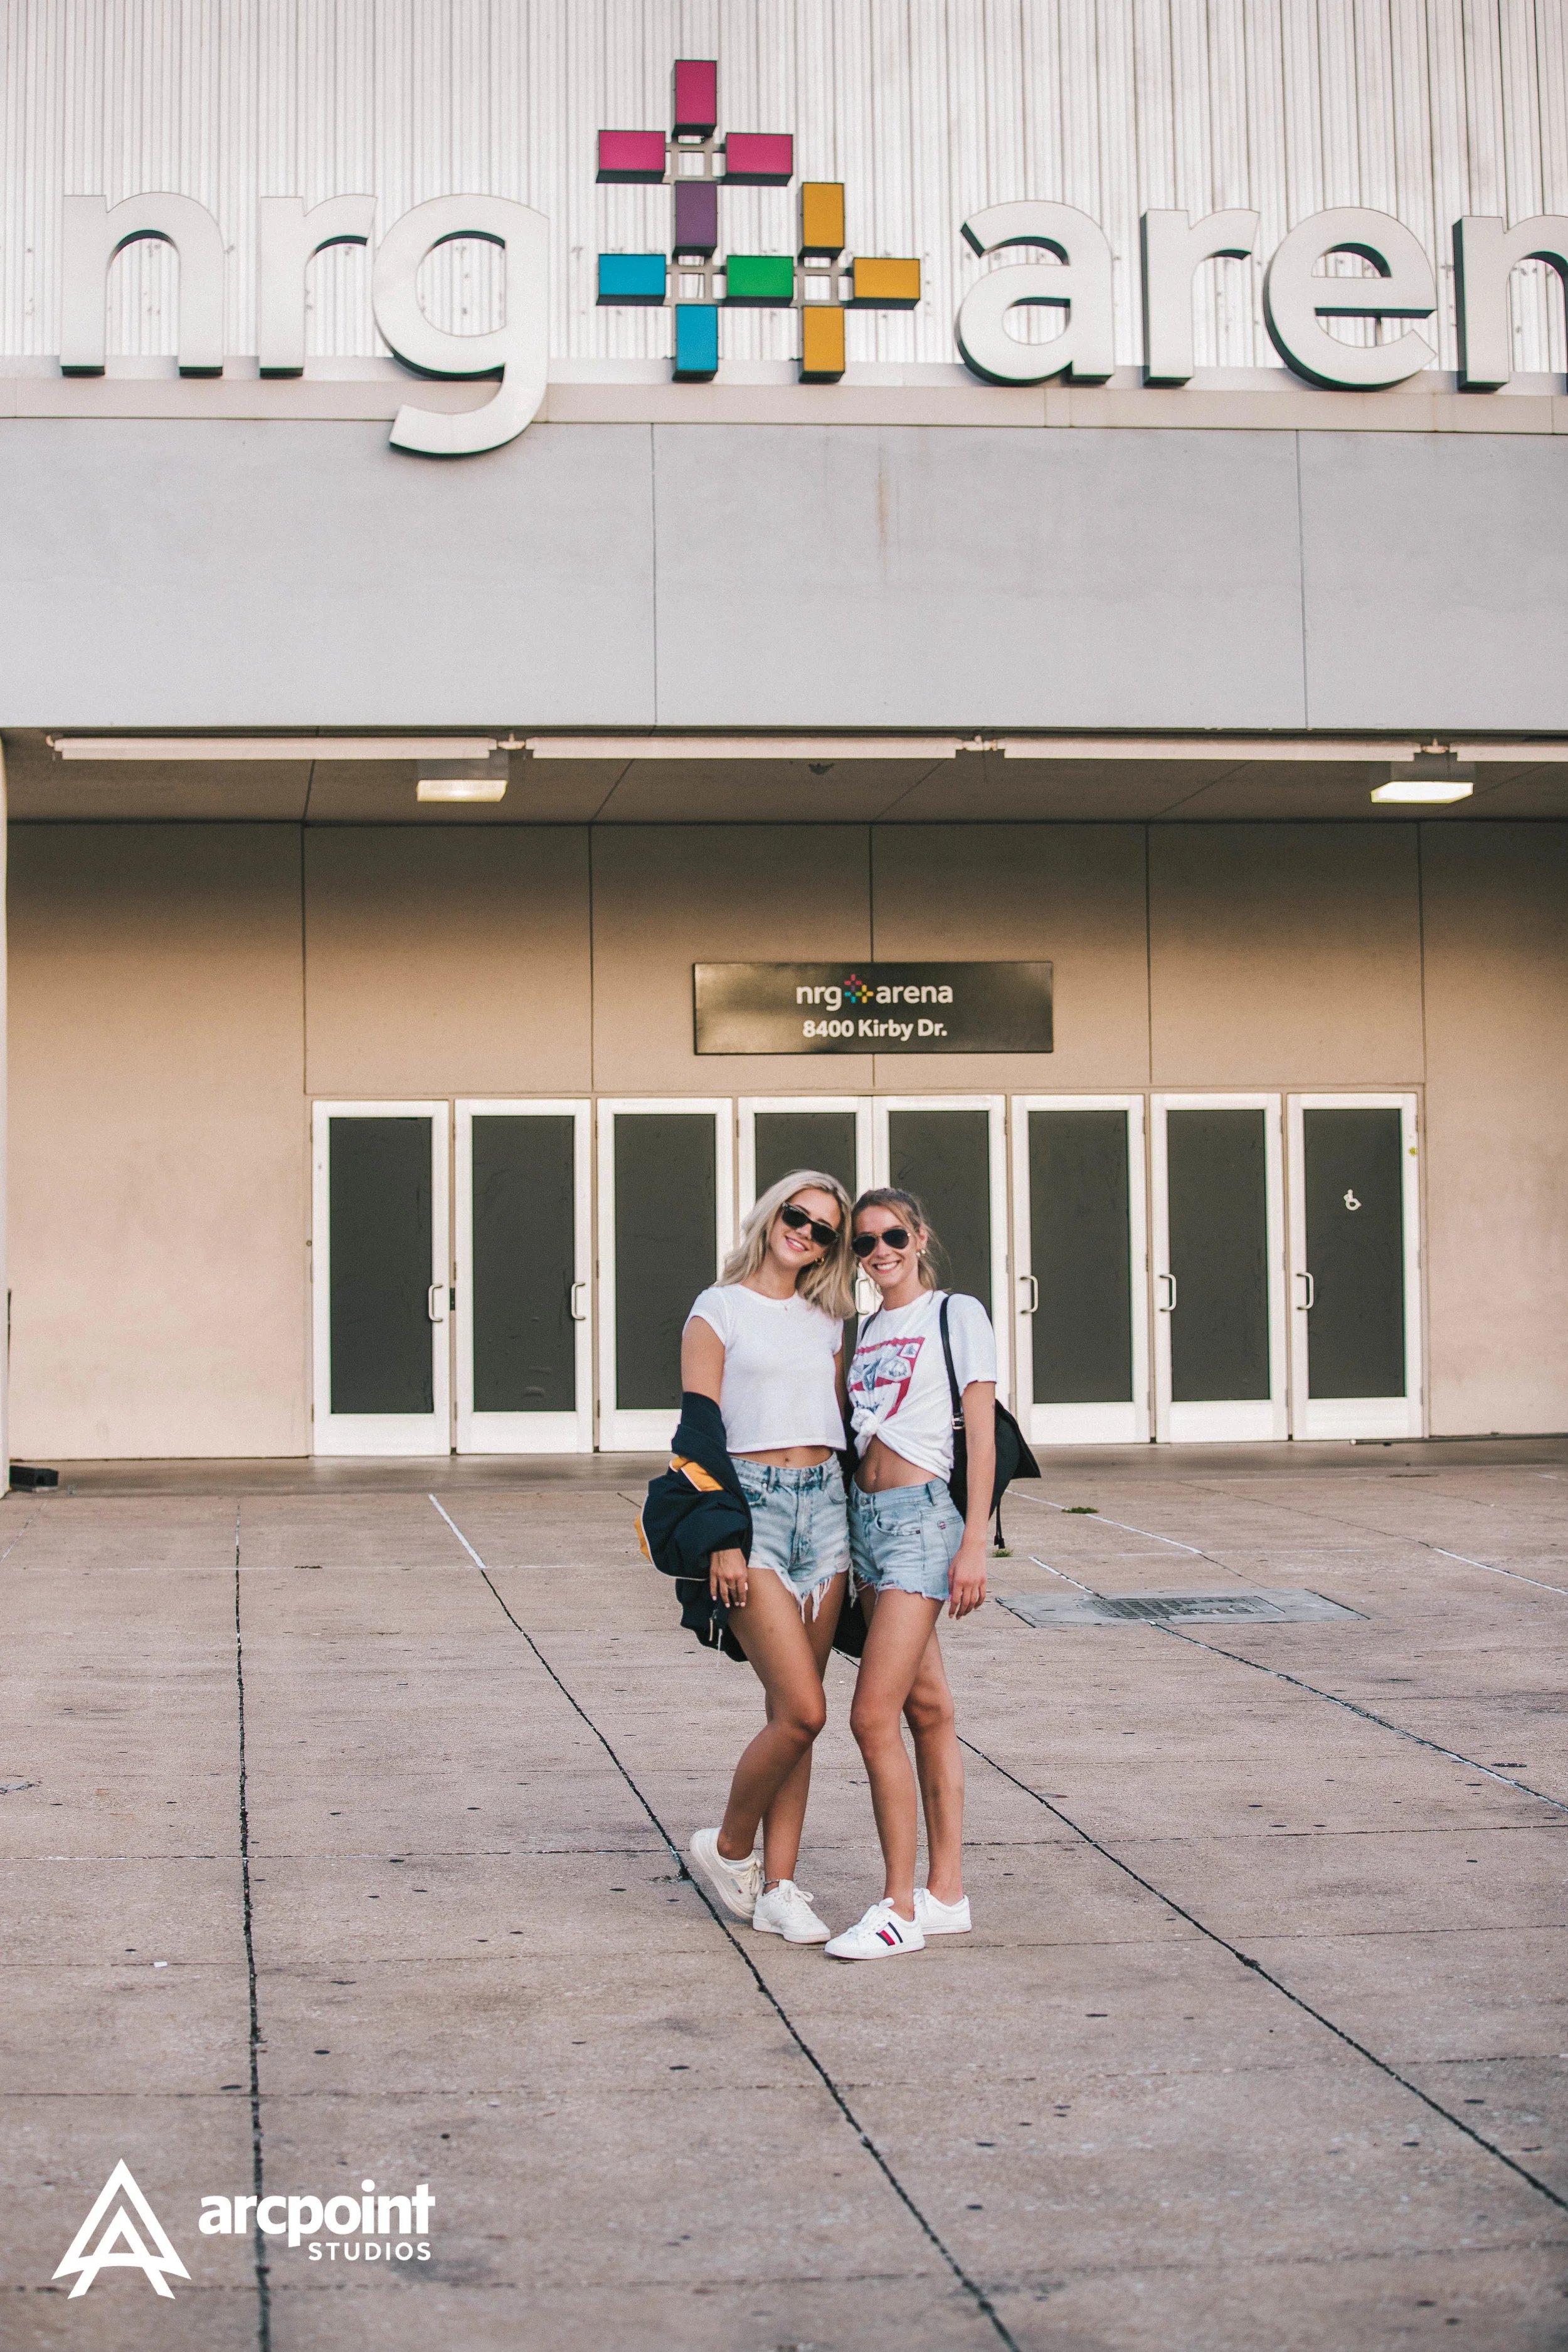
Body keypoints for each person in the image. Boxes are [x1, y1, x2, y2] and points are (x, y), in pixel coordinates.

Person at [682, 1170, 857, 1944]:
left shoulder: (827, 1319)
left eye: (824, 1231)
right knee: (806, 1710)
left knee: (794, 1713)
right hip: (749, 1508)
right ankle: (726, 1849)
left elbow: (848, 1418)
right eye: (798, 1217)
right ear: (772, 1213)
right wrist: (722, 1533)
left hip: (826, 1512)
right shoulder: (716, 1309)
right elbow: (698, 1434)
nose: (806, 1235)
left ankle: (780, 1888)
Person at [824, 1186, 996, 1961]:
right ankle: (947, 1894)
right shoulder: (863, 1329)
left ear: (919, 1236)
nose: (880, 1251)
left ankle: (897, 1907)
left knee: (871, 1715)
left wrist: (975, 1543)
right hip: (866, 1527)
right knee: (927, 1708)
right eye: (864, 1242)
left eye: (892, 1235)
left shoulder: (956, 1314)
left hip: (925, 1522)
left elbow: (981, 1436)